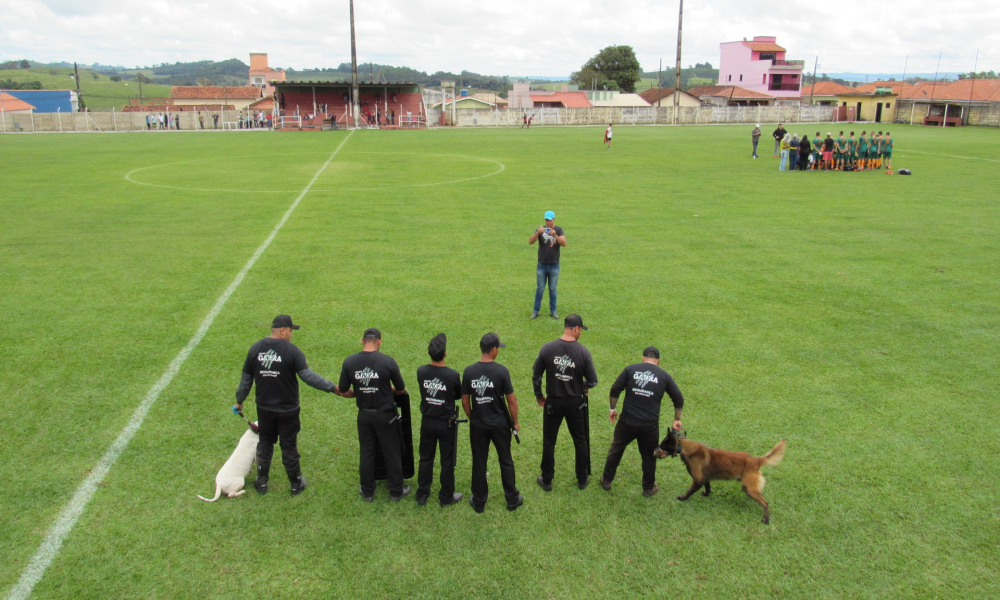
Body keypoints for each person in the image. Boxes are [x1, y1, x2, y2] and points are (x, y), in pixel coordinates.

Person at [234, 315, 338, 496]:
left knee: (265, 442)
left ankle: (262, 482)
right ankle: (296, 484)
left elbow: (245, 382)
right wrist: (332, 388)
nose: (291, 334)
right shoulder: (292, 351)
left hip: (264, 408)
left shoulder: (255, 349)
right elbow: (308, 376)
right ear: (283, 330)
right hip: (288, 410)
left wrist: (239, 402)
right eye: (290, 330)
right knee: (289, 445)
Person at [336, 328, 410, 502]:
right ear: (379, 342)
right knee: (392, 452)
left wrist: (360, 392)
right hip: (386, 416)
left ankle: (368, 492)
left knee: (367, 452)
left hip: (364, 416)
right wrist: (387, 389)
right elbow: (401, 389)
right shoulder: (388, 362)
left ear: (362, 341)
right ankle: (396, 491)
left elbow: (344, 390)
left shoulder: (350, 362)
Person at [599, 346, 684, 497]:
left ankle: (606, 480)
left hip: (627, 421)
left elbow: (615, 388)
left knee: (616, 449)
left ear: (643, 358)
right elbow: (678, 398)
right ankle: (648, 488)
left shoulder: (630, 369)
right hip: (649, 425)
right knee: (649, 455)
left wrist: (612, 408)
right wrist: (677, 419)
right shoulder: (664, 376)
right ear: (658, 361)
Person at [533, 314, 598, 491]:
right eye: (581, 331)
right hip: (575, 404)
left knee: (549, 441)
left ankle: (546, 479)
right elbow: (592, 381)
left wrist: (539, 395)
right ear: (576, 329)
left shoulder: (548, 348)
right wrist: (581, 384)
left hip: (553, 402)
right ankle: (582, 479)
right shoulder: (583, 352)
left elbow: (536, 375)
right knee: (580, 440)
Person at [462, 333, 522, 513]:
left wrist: (474, 418)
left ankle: (479, 501)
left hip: (479, 425)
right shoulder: (501, 371)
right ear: (494, 350)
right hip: (500, 425)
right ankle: (512, 498)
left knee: (479, 462)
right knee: (506, 460)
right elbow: (511, 400)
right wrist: (516, 422)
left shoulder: (469, 371)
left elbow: (465, 401)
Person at [415, 333, 464, 507]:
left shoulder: (421, 371)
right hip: (446, 423)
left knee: (425, 458)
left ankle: (422, 493)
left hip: (427, 421)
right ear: (445, 354)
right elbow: (457, 395)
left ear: (428, 352)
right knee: (447, 461)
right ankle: (446, 497)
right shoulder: (452, 375)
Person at [528, 210, 566, 319]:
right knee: (540, 288)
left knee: (552, 289)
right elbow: (530, 241)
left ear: (554, 219)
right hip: (542, 264)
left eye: (550, 220)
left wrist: (555, 235)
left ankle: (553, 311)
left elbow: (564, 243)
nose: (548, 222)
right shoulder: (541, 230)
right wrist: (537, 233)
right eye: (546, 220)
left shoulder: (558, 230)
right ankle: (536, 311)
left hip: (554, 264)